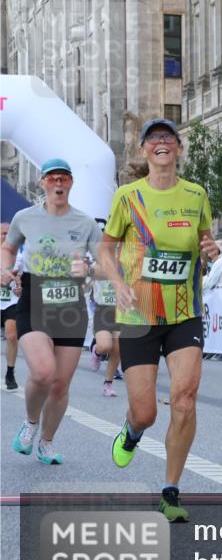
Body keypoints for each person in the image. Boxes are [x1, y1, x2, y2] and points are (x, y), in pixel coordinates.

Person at [100, 118, 221, 522]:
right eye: (154, 138)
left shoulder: (197, 195)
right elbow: (106, 250)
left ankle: (170, 490)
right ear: (144, 151)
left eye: (169, 137)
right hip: (137, 312)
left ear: (179, 149)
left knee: (185, 399)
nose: (162, 143)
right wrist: (117, 282)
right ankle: (133, 432)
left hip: (185, 311)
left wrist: (209, 250)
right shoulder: (127, 197)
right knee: (146, 412)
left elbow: (205, 244)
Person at [2, 158, 102, 465]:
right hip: (34, 297)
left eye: (64, 179)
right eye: (52, 178)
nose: (58, 184)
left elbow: (103, 264)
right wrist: (5, 268)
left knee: (60, 385)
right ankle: (31, 423)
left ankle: (46, 442)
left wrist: (88, 267)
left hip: (71, 302)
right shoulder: (25, 217)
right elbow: (8, 246)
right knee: (43, 372)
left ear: (71, 183)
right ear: (43, 183)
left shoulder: (85, 223)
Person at [90, 274, 122, 397]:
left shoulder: (127, 262)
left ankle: (108, 384)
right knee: (105, 346)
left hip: (121, 312)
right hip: (103, 311)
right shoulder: (99, 263)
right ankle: (97, 352)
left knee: (117, 349)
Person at [1, 222, 22, 390]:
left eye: (9, 233)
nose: (6, 236)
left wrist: (20, 289)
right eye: (3, 233)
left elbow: (22, 281)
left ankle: (10, 372)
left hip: (11, 302)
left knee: (12, 335)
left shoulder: (19, 257)